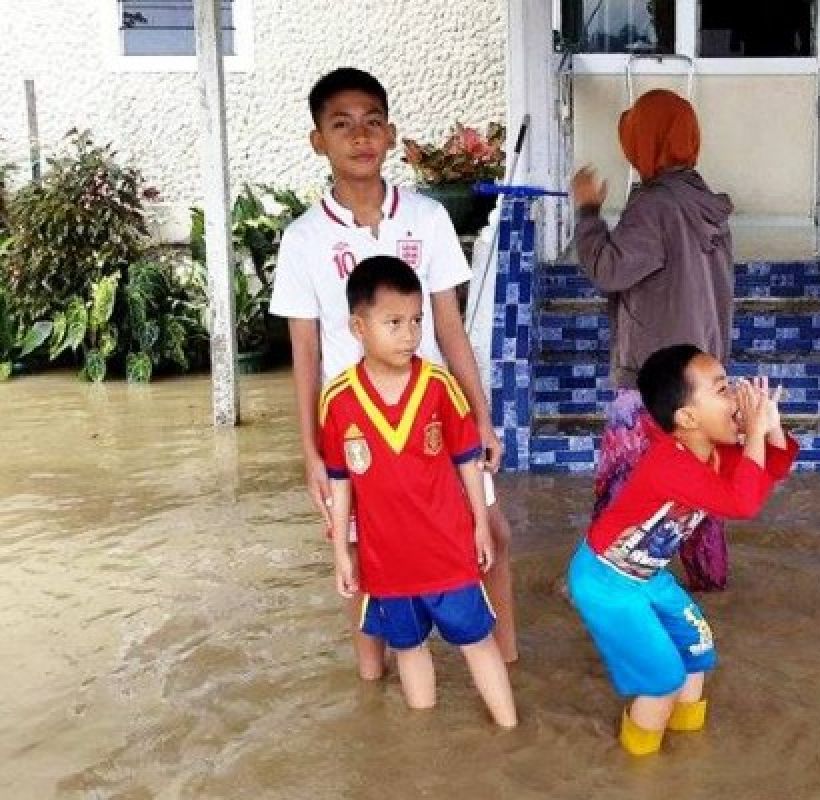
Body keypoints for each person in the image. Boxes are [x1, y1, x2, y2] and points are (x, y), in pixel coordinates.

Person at [269, 68, 518, 677]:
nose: (360, 136)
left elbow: (450, 330)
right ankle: (372, 684)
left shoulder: (427, 220)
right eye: (342, 124)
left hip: (435, 414)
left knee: (493, 533)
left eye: (372, 122)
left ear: (390, 133)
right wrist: (309, 451)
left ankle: (505, 660)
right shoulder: (302, 239)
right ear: (318, 140)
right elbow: (304, 354)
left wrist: (481, 419)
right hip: (354, 428)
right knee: (362, 553)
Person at [566, 344, 798, 755]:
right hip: (606, 581)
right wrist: (756, 434)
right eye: (723, 389)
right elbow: (743, 503)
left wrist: (771, 427)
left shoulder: (711, 450)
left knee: (697, 651)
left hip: (647, 576)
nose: (738, 396)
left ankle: (689, 757)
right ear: (687, 418)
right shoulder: (669, 464)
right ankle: (641, 771)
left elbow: (769, 471)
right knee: (663, 679)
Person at [321, 255, 517, 727]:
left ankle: (510, 726)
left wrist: (481, 528)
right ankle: (424, 748)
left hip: (448, 548)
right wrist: (342, 555)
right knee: (408, 649)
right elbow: (340, 480)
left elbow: (468, 461)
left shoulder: (439, 386)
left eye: (416, 321)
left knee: (477, 641)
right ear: (358, 327)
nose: (409, 334)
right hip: (386, 560)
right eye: (394, 322)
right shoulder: (339, 400)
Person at [570, 89, 736, 592]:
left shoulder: (655, 206)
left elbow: (609, 269)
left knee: (625, 486)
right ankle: (711, 585)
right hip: (703, 383)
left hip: (651, 379)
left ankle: (602, 581)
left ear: (647, 140)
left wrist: (588, 214)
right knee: (700, 495)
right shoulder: (708, 206)